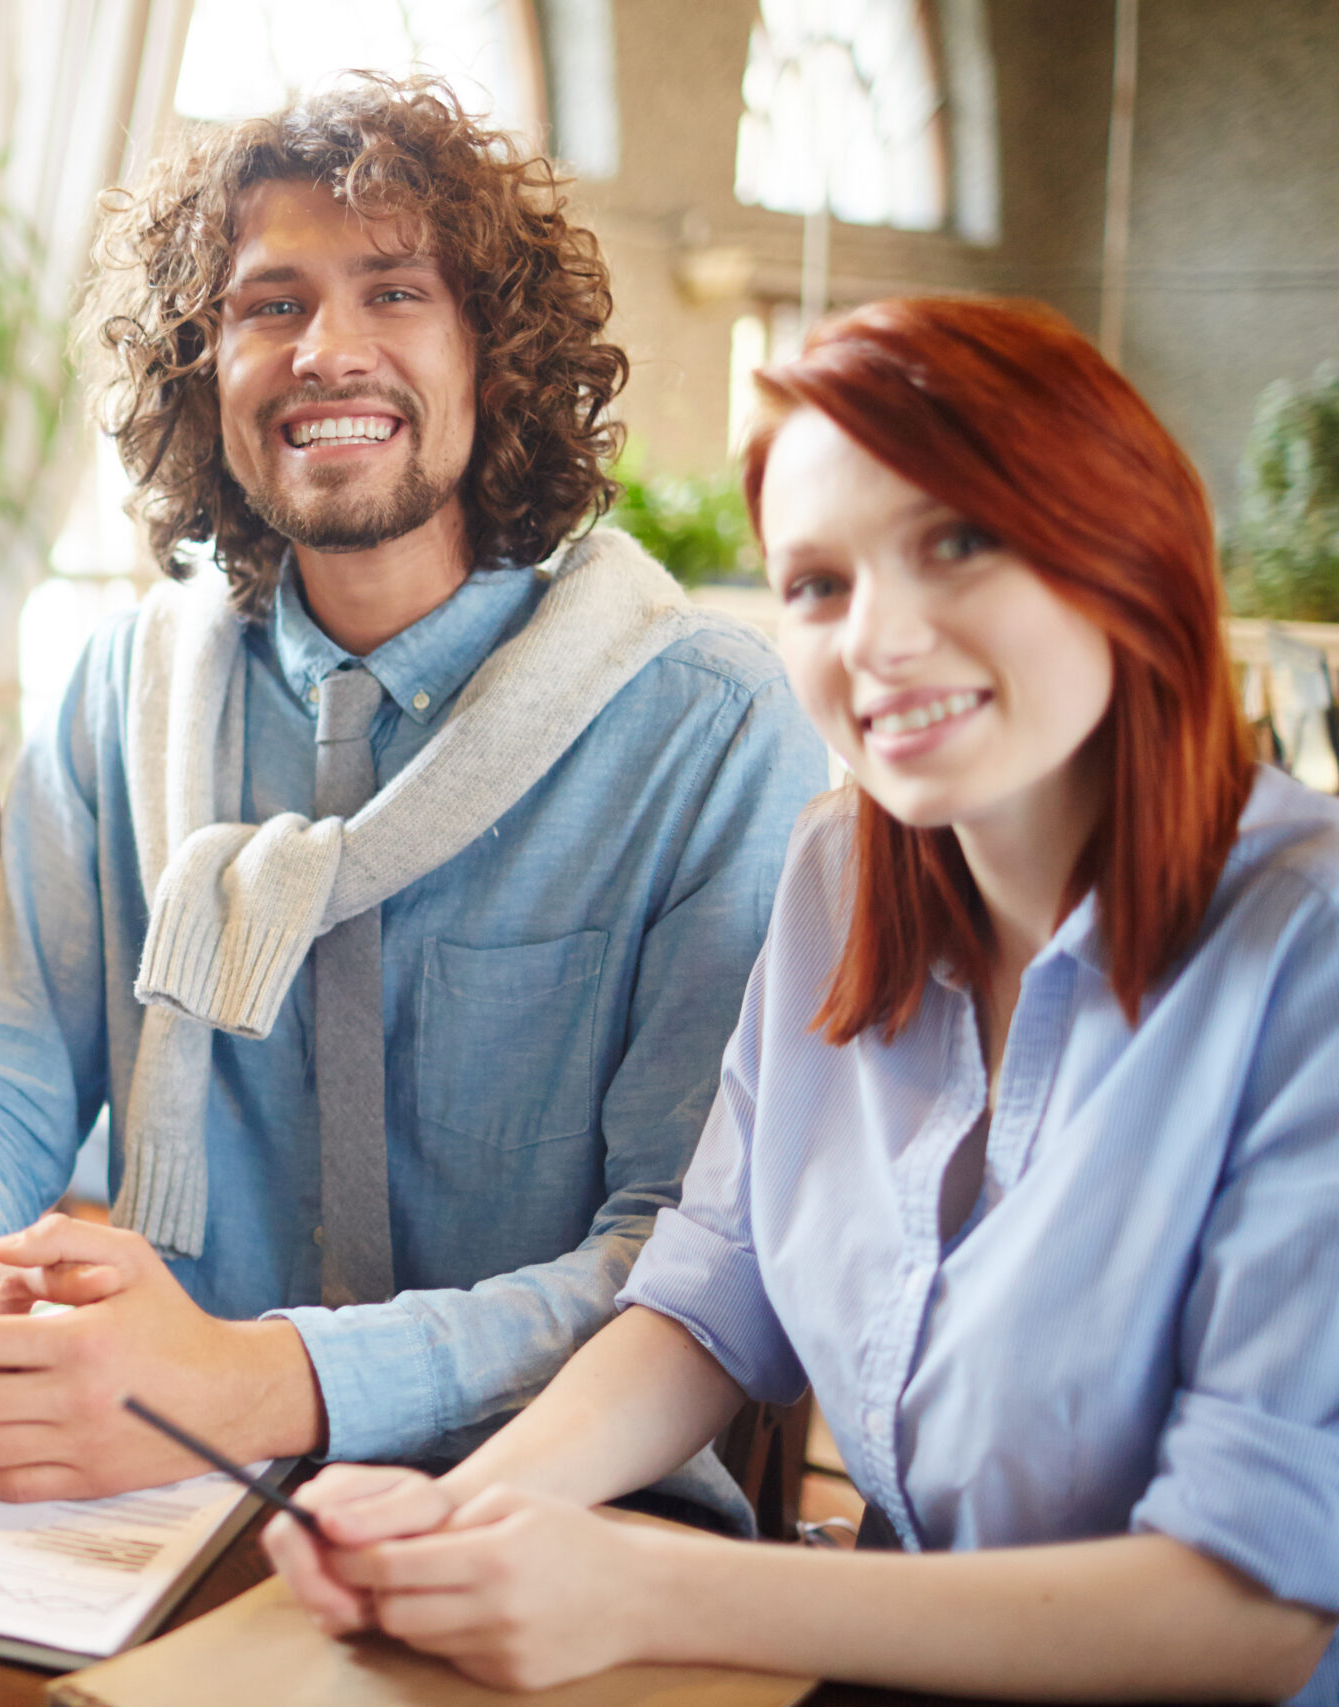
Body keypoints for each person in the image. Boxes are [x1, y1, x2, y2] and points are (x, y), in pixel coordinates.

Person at [263, 297, 1339, 1703]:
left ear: (1122, 548)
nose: (879, 639)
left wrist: (647, 1586)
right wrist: (468, 1512)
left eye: (958, 540)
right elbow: (709, 1302)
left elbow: (1253, 1615)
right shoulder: (840, 869)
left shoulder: (1305, 949)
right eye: (821, 583)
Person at [0, 75, 827, 1505]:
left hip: (569, 1514)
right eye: (268, 304)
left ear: (498, 355)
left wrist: (266, 1380)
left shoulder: (701, 727)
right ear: (200, 367)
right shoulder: (123, 694)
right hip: (171, 1487)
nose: (327, 353)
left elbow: (688, 1255)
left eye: (397, 292)